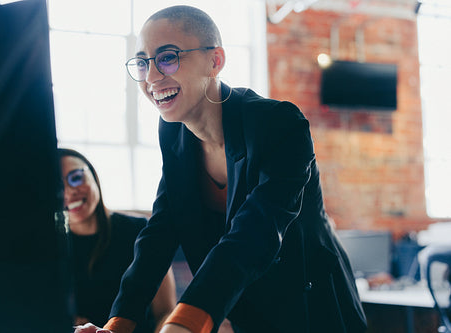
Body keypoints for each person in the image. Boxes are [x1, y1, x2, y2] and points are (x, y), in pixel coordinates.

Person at [74, 5, 367, 333]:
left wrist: (185, 322)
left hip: (313, 308)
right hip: (249, 313)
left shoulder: (278, 124)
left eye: (168, 57)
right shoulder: (174, 133)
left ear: (215, 61)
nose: (152, 77)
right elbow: (159, 233)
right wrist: (117, 325)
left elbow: (256, 232)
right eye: (143, 63)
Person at [59, 148, 177, 332]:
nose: (69, 192)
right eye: (57, 186)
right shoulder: (50, 247)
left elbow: (165, 311)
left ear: (94, 177)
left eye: (76, 177)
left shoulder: (142, 231)